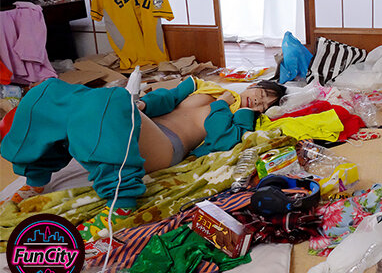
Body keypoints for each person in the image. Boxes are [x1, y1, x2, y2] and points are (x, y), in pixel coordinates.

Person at [0, 76, 286, 239]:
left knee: (106, 100)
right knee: (46, 91)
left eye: (264, 104)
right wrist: (144, 104)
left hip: (166, 146)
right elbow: (168, 97)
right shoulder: (203, 85)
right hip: (141, 123)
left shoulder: (240, 117)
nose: (258, 101)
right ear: (253, 85)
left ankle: (121, 205)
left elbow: (221, 141)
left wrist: (230, 107)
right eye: (261, 93)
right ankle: (36, 179)